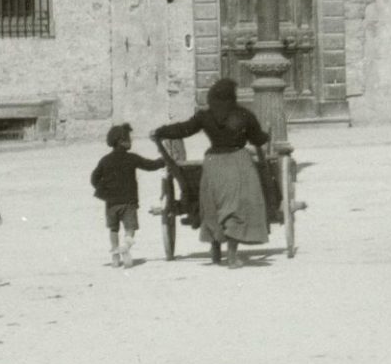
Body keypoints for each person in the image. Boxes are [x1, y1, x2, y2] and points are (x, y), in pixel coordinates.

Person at [152, 78, 272, 269]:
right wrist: (266, 136)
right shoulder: (244, 115)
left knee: (213, 206)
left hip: (213, 164)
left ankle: (215, 246)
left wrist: (160, 131)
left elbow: (184, 129)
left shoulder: (205, 116)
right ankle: (232, 256)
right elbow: (257, 139)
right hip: (238, 163)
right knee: (238, 207)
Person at [91, 123, 166, 268]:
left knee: (113, 229)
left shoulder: (105, 160)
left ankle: (114, 257)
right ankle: (126, 245)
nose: (131, 141)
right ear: (121, 141)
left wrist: (104, 191)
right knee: (130, 228)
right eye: (128, 139)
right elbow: (149, 165)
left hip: (111, 203)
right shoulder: (131, 158)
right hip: (128, 202)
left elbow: (94, 178)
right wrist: (163, 161)